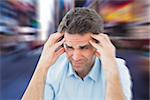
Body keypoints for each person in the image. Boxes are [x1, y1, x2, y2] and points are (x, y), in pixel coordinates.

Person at [22, 7, 132, 100]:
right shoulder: (52, 68)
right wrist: (41, 67)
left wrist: (112, 71)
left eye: (84, 48)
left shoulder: (117, 68)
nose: (76, 57)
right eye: (69, 47)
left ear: (98, 44)